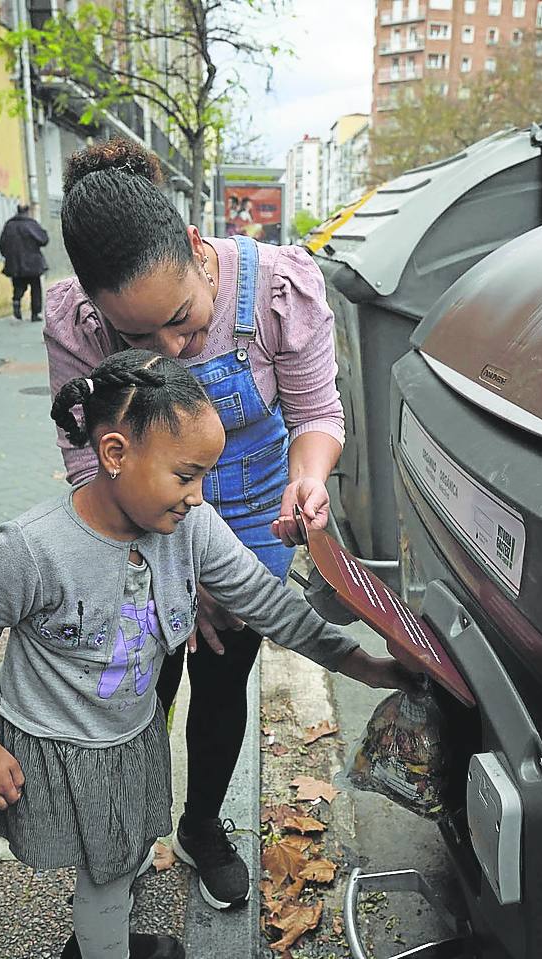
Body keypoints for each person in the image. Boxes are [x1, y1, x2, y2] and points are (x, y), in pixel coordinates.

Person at [0, 350, 410, 959]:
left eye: (206, 474)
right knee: (103, 878)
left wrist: (361, 665)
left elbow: (267, 602)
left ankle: (104, 935)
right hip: (56, 747)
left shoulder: (191, 527)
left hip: (130, 736)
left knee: (118, 861)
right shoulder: (32, 550)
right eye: (185, 475)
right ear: (115, 454)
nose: (197, 496)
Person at [44, 138, 345, 908]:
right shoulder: (75, 321)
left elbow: (315, 413)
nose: (168, 351)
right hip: (136, 531)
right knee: (141, 683)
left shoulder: (279, 287)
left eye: (180, 320)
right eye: (135, 340)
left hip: (250, 522)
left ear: (192, 245)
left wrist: (307, 479)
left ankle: (201, 825)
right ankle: (134, 825)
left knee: (220, 679)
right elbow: (91, 467)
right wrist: (169, 567)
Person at [0, 203, 49, 323]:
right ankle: (35, 314)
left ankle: (16, 302)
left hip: (15, 264)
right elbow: (43, 240)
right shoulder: (31, 224)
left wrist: (9, 257)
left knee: (18, 286)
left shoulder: (9, 225)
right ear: (27, 211)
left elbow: (2, 244)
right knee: (35, 288)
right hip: (33, 264)